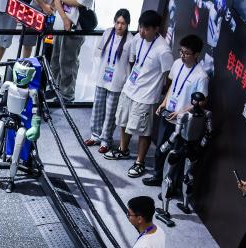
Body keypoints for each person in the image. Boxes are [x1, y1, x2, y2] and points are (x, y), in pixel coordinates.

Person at [105, 9, 174, 179]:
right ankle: (123, 149)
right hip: (130, 89)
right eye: (140, 27)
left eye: (146, 29)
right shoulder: (138, 38)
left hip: (146, 95)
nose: (142, 31)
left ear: (156, 29)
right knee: (123, 121)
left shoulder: (163, 50)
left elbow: (170, 77)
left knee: (144, 130)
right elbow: (135, 61)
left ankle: (140, 162)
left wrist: (163, 98)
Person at [142, 34, 209, 187]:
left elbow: (202, 101)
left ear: (196, 54)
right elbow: (173, 86)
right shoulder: (177, 63)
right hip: (168, 115)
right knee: (160, 149)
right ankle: (157, 176)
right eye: (181, 51)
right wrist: (164, 102)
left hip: (182, 123)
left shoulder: (201, 76)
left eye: (186, 53)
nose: (182, 55)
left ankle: (170, 185)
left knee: (175, 155)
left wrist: (182, 112)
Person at [85, 9, 132, 154]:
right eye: (117, 22)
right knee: (98, 108)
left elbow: (131, 62)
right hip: (102, 77)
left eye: (123, 23)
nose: (119, 26)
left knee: (110, 113)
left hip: (118, 81)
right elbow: (99, 51)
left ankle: (106, 140)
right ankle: (95, 135)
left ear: (127, 24)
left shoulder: (131, 40)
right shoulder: (107, 33)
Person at [48, 0, 95, 104]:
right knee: (55, 60)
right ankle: (54, 88)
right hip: (60, 24)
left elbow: (78, 2)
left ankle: (67, 95)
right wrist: (64, 18)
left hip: (75, 27)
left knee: (68, 62)